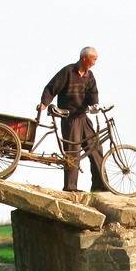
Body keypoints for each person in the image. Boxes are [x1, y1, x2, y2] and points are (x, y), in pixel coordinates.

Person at [38, 47, 106, 192]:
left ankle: (100, 185)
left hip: (83, 117)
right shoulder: (68, 71)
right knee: (73, 152)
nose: (95, 62)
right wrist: (44, 103)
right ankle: (70, 187)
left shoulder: (90, 76)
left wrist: (95, 105)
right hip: (70, 119)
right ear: (84, 58)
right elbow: (51, 87)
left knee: (95, 148)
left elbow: (93, 94)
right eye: (93, 59)